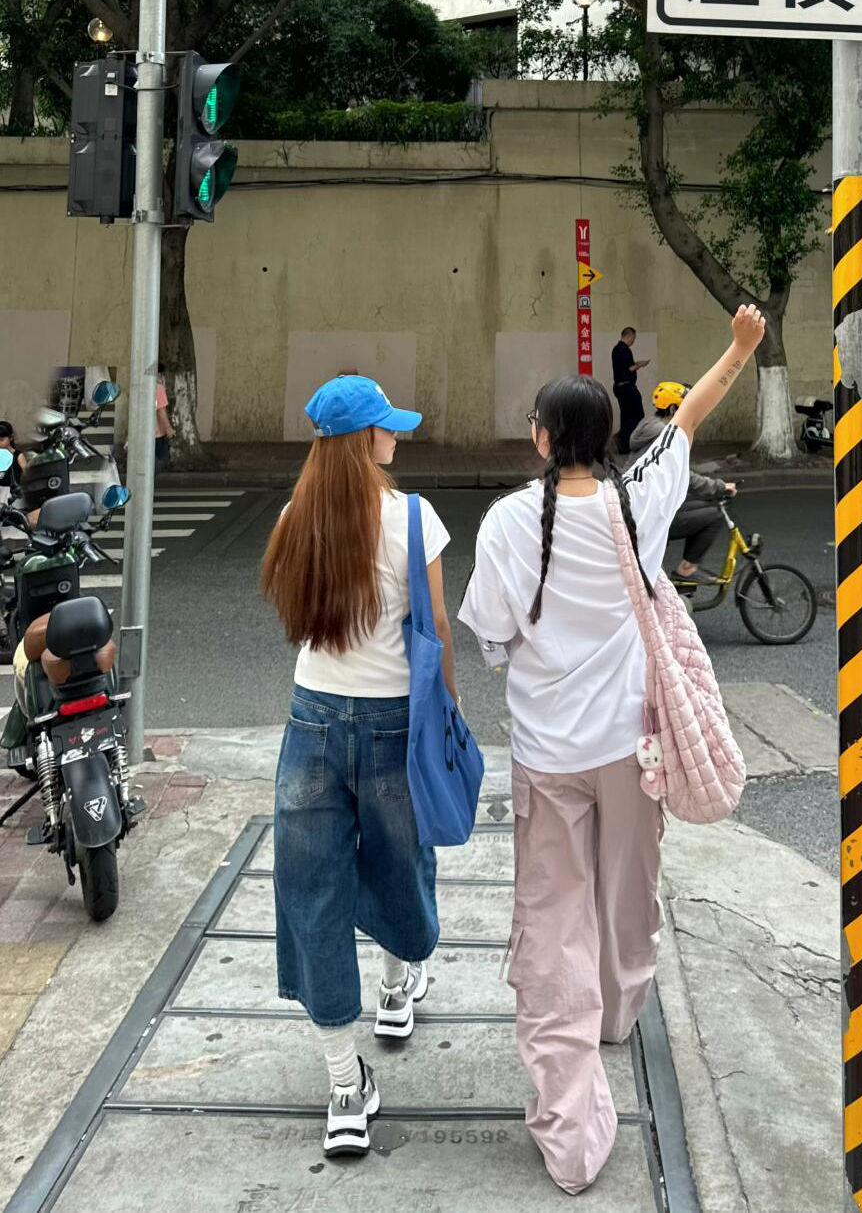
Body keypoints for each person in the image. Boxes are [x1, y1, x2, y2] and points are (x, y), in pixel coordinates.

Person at [459, 305, 765, 1195]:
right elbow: (690, 414)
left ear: (543, 438)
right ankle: (619, 1011)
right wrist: (741, 348)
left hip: (548, 753)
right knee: (628, 890)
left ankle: (570, 1126)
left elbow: (491, 633)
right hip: (635, 748)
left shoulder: (510, 523)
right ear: (604, 440)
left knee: (553, 919)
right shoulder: (643, 498)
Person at [260, 374, 458, 1159]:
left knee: (312, 894)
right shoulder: (414, 517)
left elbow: (298, 621)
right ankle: (396, 988)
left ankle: (346, 1088)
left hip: (311, 722)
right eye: (387, 426)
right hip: (393, 723)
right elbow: (437, 633)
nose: (396, 436)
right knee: (398, 860)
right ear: (363, 440)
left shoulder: (294, 519)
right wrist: (449, 717)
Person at [630, 382, 738, 586]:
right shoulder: (664, 435)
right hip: (648, 515)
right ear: (673, 409)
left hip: (643, 505)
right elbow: (685, 477)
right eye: (687, 407)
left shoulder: (650, 425)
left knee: (706, 506)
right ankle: (686, 571)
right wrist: (719, 487)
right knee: (715, 515)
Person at [610, 327, 649, 453]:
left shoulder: (616, 349)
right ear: (629, 336)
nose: (633, 341)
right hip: (627, 387)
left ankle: (623, 442)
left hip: (621, 387)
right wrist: (640, 365)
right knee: (636, 415)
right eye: (633, 338)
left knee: (627, 416)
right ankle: (626, 441)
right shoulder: (624, 350)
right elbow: (630, 368)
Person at [155, 370, 174, 472]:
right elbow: (161, 411)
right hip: (157, 434)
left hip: (144, 434)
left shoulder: (142, 387)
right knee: (161, 461)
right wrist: (168, 428)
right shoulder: (158, 388)